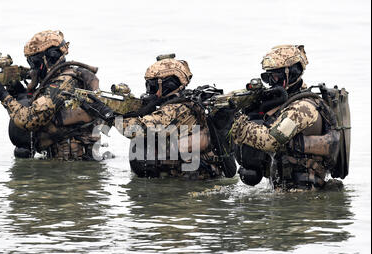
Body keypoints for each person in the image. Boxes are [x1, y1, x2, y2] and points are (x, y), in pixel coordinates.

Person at [93, 54, 237, 179]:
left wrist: (109, 115)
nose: (149, 90)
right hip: (183, 179)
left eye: (152, 86)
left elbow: (135, 129)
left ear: (167, 85)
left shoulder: (175, 109)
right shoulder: (187, 101)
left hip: (189, 184)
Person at [230, 45, 350, 190]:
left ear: (290, 73)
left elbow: (271, 140)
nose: (271, 83)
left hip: (304, 198)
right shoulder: (287, 104)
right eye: (268, 77)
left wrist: (238, 125)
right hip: (290, 193)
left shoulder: (302, 108)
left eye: (275, 77)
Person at [0, 30, 113, 160]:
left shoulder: (62, 83)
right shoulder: (66, 78)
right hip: (70, 166)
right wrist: (19, 92)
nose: (33, 68)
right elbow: (40, 106)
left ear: (50, 57)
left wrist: (3, 95)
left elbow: (30, 120)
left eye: (35, 62)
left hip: (70, 168)